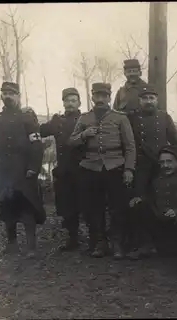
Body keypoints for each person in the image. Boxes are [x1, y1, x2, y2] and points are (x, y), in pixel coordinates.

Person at [69, 82, 136, 259]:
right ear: (92, 97)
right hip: (90, 167)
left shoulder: (120, 118)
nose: (100, 99)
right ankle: (99, 242)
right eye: (97, 96)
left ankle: (117, 243)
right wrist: (84, 135)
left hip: (115, 167)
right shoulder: (84, 118)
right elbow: (71, 142)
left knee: (118, 208)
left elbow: (130, 147)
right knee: (93, 207)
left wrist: (129, 169)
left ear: (109, 97)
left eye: (104, 96)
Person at [0, 82, 45, 258]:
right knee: (7, 208)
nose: (8, 96)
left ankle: (31, 246)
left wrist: (34, 168)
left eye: (11, 93)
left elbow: (37, 145)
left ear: (18, 96)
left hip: (23, 171)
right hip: (3, 172)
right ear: (1, 96)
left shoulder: (27, 119)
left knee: (27, 207)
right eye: (4, 93)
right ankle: (12, 244)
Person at [126, 83, 177, 258]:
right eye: (144, 98)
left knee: (163, 202)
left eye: (151, 98)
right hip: (140, 167)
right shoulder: (131, 118)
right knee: (141, 203)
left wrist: (172, 164)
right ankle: (144, 244)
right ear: (139, 101)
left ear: (157, 100)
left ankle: (164, 242)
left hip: (161, 167)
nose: (148, 101)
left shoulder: (164, 117)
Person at [131, 145, 177, 270]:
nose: (165, 165)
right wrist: (142, 199)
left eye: (169, 162)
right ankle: (147, 245)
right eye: (162, 162)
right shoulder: (158, 179)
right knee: (141, 206)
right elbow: (153, 198)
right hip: (162, 222)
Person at [40, 87, 83, 251]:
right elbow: (42, 131)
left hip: (83, 169)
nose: (70, 104)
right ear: (63, 102)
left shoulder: (84, 119)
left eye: (73, 100)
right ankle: (73, 238)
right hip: (64, 170)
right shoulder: (58, 120)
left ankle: (96, 239)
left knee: (87, 204)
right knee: (67, 205)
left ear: (79, 102)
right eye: (67, 100)